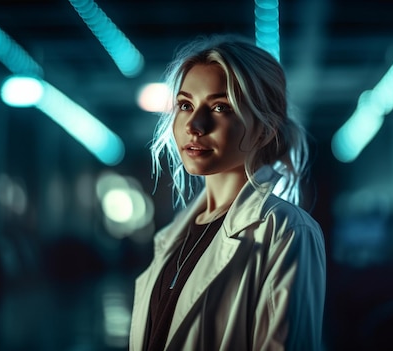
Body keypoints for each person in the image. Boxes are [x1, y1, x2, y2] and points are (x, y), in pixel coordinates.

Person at [129, 34, 326, 351]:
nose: (195, 124)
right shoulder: (171, 238)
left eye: (220, 107)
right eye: (185, 105)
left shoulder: (286, 230)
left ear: (264, 128)